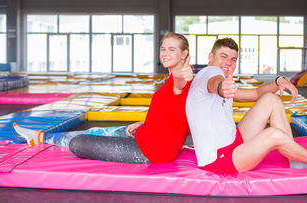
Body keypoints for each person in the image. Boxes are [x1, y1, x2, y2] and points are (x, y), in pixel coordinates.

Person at [14, 32, 193, 164]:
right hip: (145, 134)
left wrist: (182, 71)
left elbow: (180, 79)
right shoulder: (168, 80)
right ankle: (40, 137)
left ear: (185, 54)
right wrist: (144, 124)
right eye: (163, 49)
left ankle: (43, 138)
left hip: (151, 152)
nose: (165, 53)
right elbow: (169, 114)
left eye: (172, 49)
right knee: (96, 130)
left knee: (80, 143)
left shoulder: (180, 80)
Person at [186, 38, 307, 174]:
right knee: (273, 134)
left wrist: (278, 81)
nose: (228, 63)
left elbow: (256, 94)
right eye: (223, 56)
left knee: (271, 99)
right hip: (219, 160)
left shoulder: (224, 81)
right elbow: (213, 82)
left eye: (233, 59)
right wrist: (220, 87)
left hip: (232, 142)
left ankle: (294, 160)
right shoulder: (208, 74)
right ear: (210, 57)